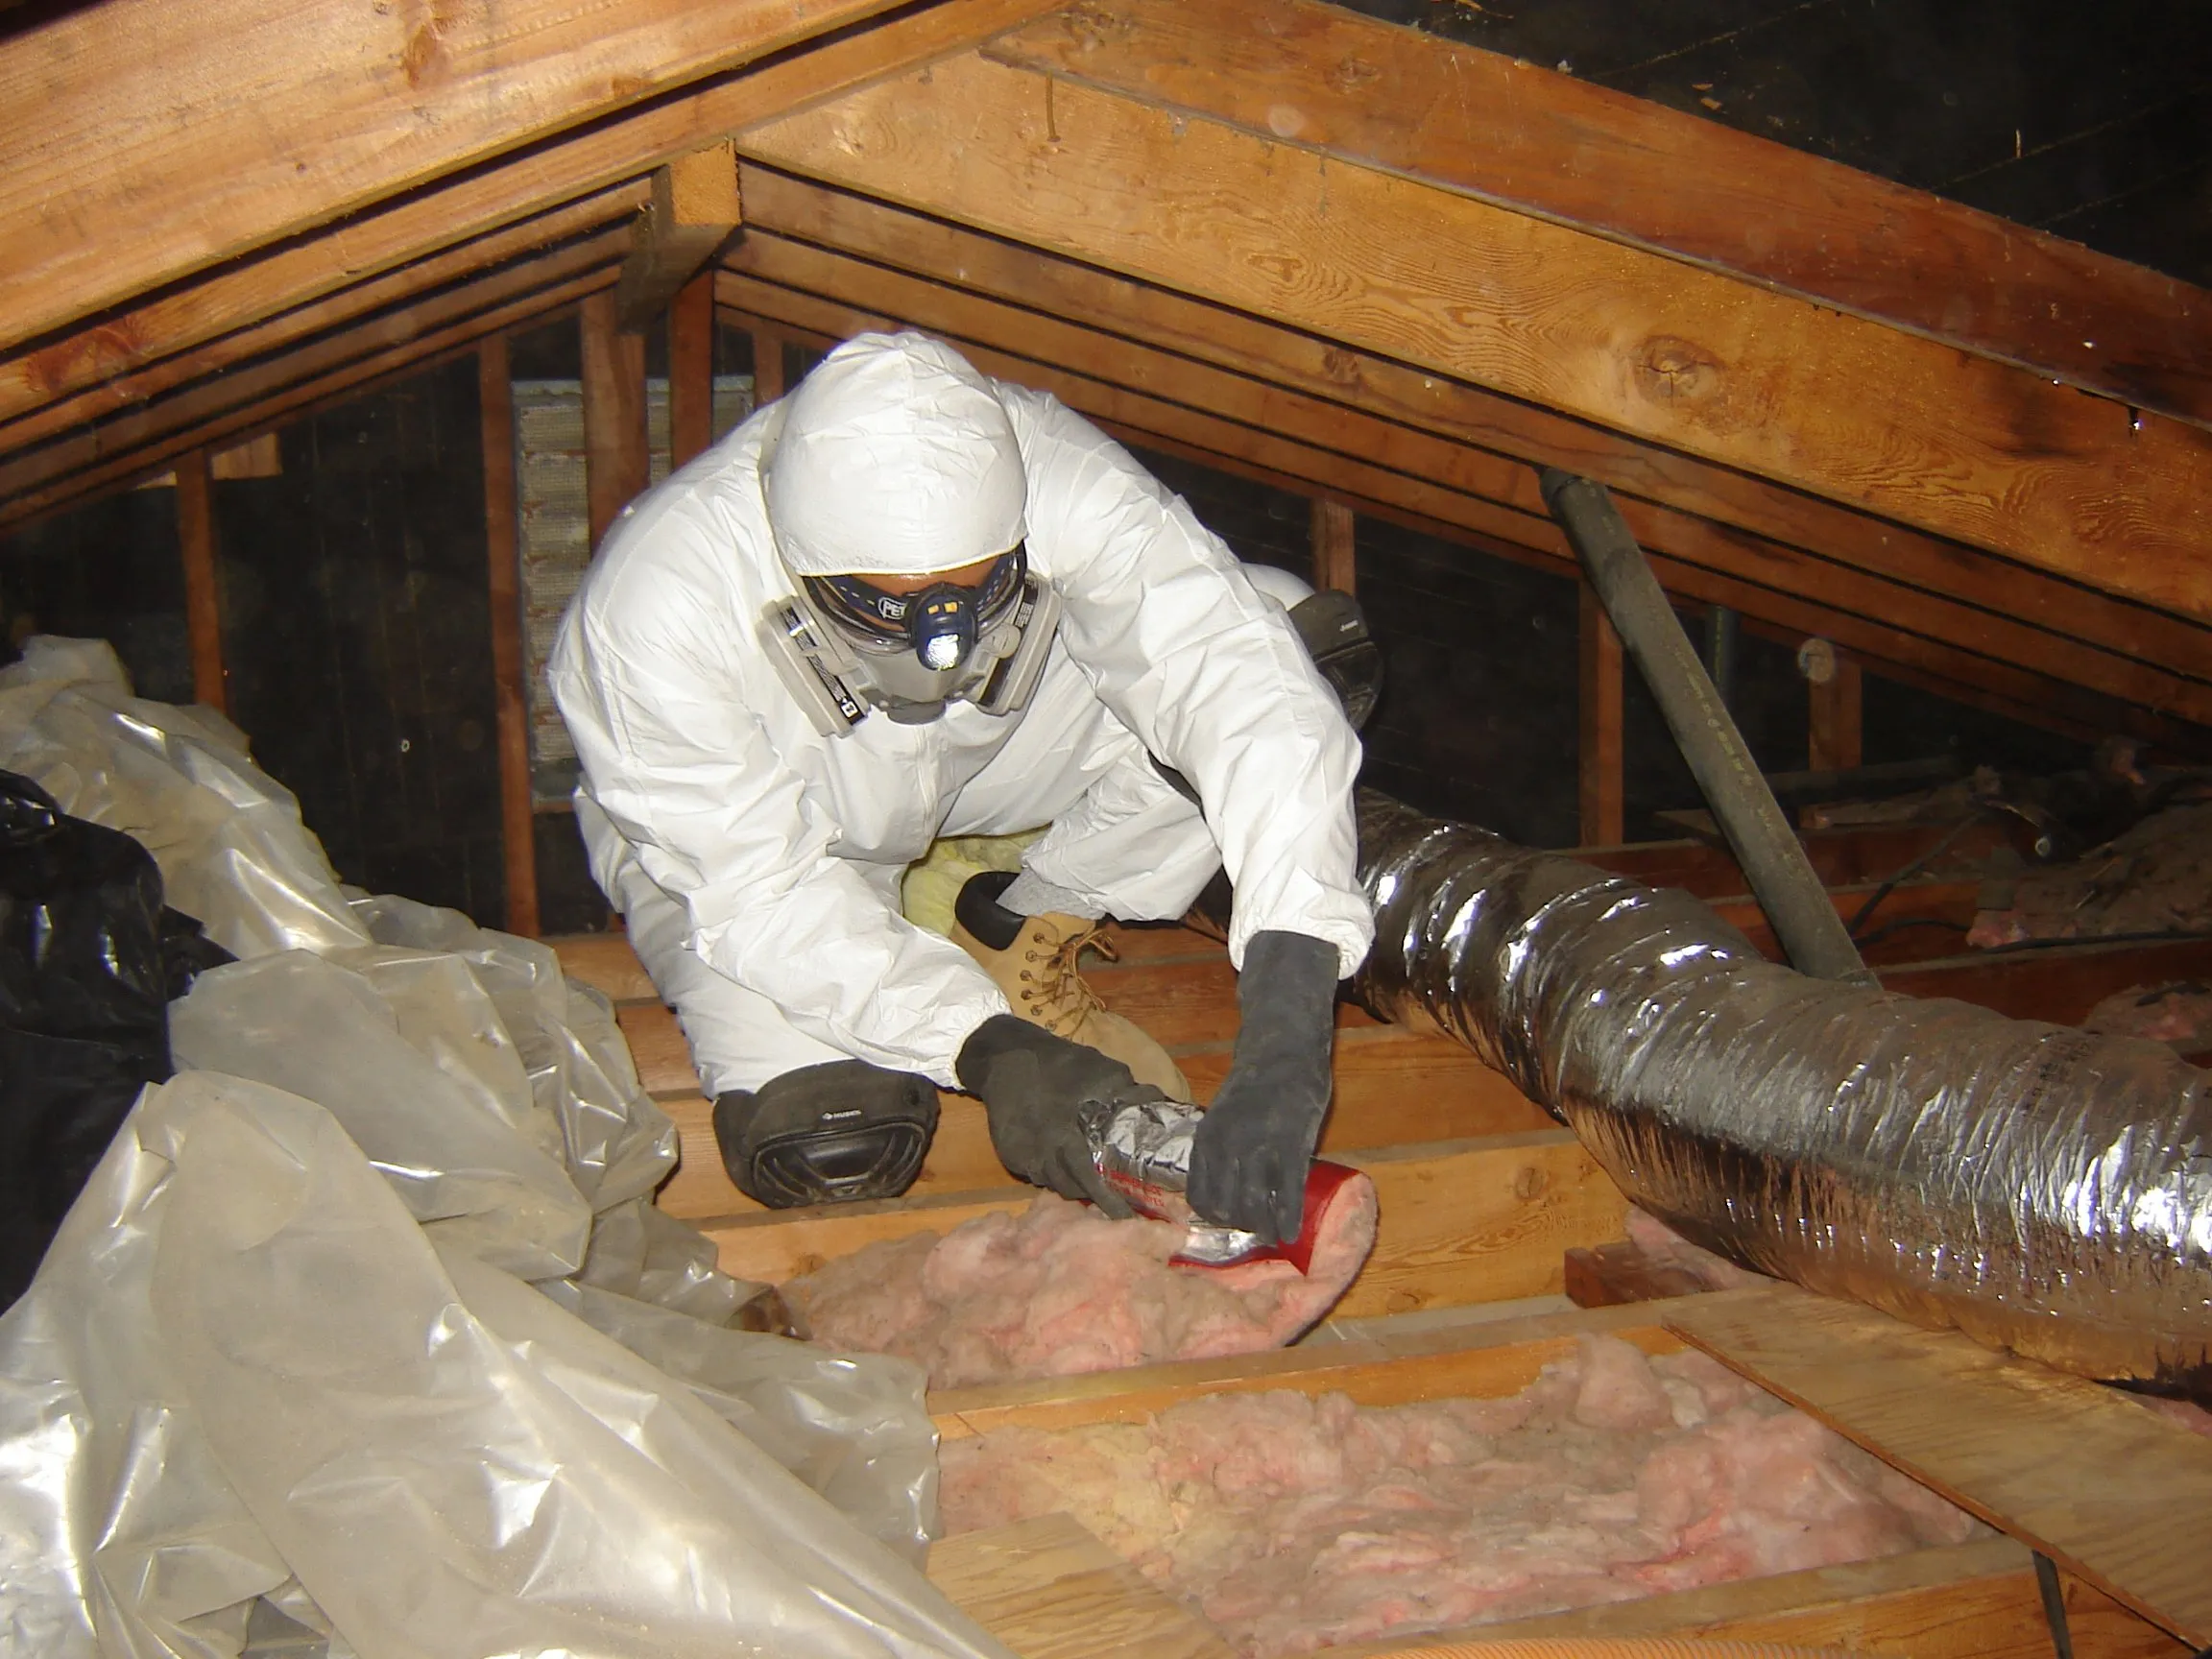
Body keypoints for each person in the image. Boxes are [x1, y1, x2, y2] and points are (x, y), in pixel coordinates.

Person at [549, 332, 1374, 1243]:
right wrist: (991, 1052)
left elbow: (1236, 684)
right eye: (883, 603)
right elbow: (759, 894)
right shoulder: (657, 603)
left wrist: (1292, 1005)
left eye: (977, 588)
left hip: (988, 749)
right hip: (792, 820)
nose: (937, 644)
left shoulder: (1053, 475)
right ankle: (940, 988)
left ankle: (1027, 914)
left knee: (1292, 650)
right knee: (832, 1140)